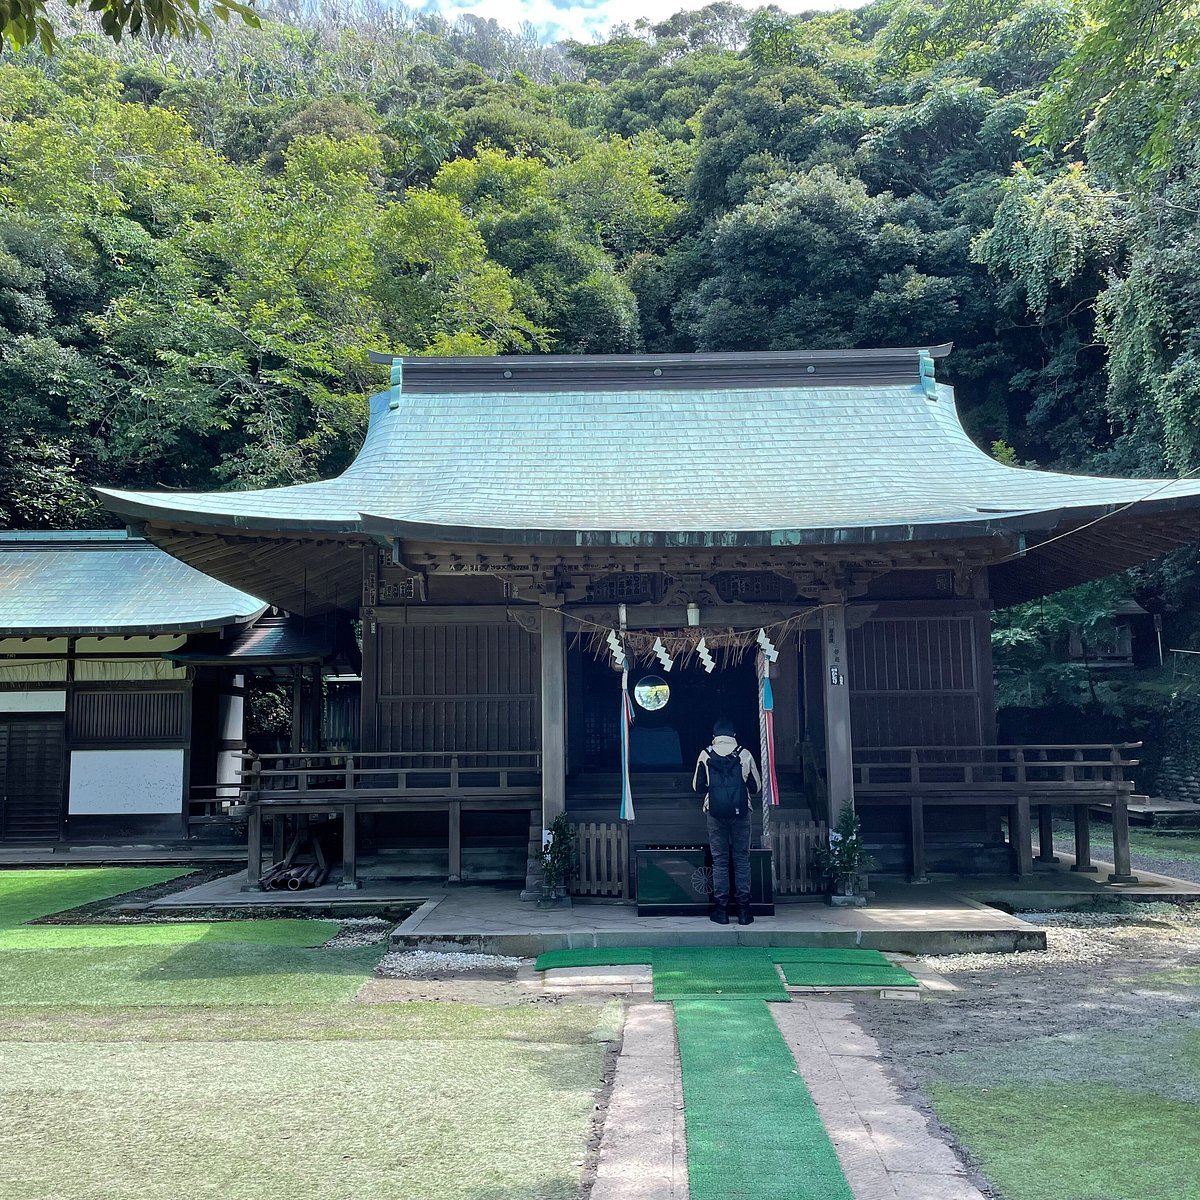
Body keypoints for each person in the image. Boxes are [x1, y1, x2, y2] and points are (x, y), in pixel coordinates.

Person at [692, 719, 762, 925]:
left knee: (720, 860)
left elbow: (697, 786)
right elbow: (756, 786)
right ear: (734, 735)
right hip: (741, 812)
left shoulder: (706, 754)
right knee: (742, 859)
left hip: (714, 812)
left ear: (714, 736)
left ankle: (721, 911)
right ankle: (744, 912)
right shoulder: (744, 753)